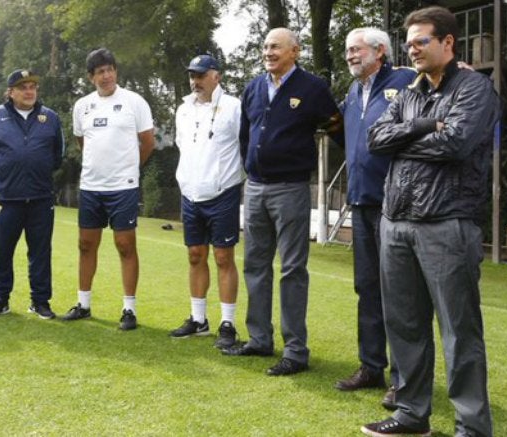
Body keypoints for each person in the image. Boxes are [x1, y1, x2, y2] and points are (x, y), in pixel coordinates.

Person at [361, 6, 498, 437]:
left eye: (422, 41)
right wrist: (423, 125)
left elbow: (456, 143)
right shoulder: (411, 93)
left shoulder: (475, 87)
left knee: (459, 331)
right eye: (410, 42)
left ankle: (472, 428)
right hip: (396, 222)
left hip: (447, 222)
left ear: (447, 43)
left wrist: (405, 139)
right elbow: (375, 139)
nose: (412, 49)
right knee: (404, 325)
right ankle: (411, 415)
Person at [222, 28, 342, 376]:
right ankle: (259, 340)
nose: (268, 52)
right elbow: (246, 134)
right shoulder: (254, 87)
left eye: (275, 46)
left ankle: (295, 351)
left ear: (295, 51)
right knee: (255, 266)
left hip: (291, 189)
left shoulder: (313, 88)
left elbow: (335, 126)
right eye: (265, 47)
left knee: (292, 269)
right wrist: (250, 167)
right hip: (256, 188)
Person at [335, 28, 415, 408]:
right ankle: (371, 367)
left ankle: (404, 380)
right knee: (366, 288)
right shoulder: (352, 93)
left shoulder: (404, 80)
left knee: (398, 293)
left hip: (395, 205)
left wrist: (461, 69)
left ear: (379, 50)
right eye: (348, 50)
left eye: (356, 49)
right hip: (361, 202)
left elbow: (443, 83)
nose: (350, 55)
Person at [62, 48, 155, 331]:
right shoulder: (82, 106)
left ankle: (129, 309)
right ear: (91, 77)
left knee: (125, 246)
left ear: (116, 70)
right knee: (86, 245)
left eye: (109, 69)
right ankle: (84, 304)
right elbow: (82, 142)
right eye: (100, 72)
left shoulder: (134, 102)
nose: (106, 75)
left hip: (123, 188)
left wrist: (128, 169)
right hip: (91, 187)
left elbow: (148, 143)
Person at [0, 69, 65, 319]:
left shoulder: (51, 118)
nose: (29, 91)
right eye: (23, 87)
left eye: (33, 86)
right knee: (1, 250)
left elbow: (57, 156)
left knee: (40, 252)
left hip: (41, 197)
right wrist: (1, 176)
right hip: (6, 198)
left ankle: (40, 301)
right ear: (11, 92)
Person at [169, 54, 242, 348]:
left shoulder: (234, 107)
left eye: (200, 75)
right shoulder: (183, 110)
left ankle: (228, 323)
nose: (195, 81)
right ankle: (198, 319)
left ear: (217, 76)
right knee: (195, 255)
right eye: (192, 76)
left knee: (224, 257)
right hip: (190, 193)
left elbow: (245, 145)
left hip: (222, 193)